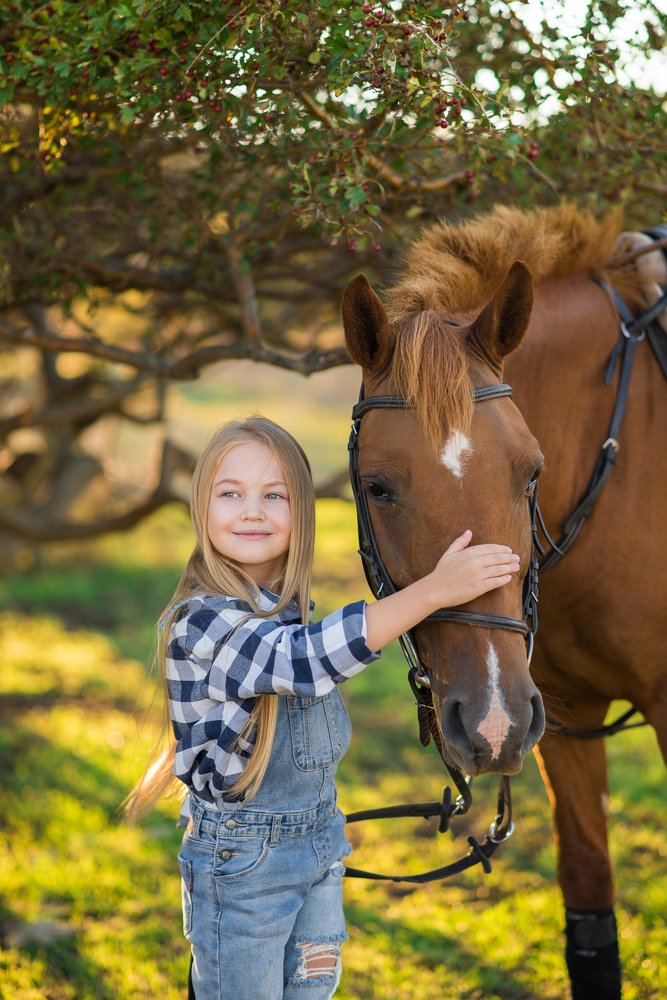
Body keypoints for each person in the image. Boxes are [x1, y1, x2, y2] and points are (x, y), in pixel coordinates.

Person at [125, 415, 520, 1000]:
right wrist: (433, 591)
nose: (251, 510)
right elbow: (302, 663)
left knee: (312, 992)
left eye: (274, 495)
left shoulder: (291, 612)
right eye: (230, 494)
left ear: (302, 514)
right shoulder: (203, 621)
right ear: (200, 509)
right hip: (242, 869)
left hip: (318, 852)